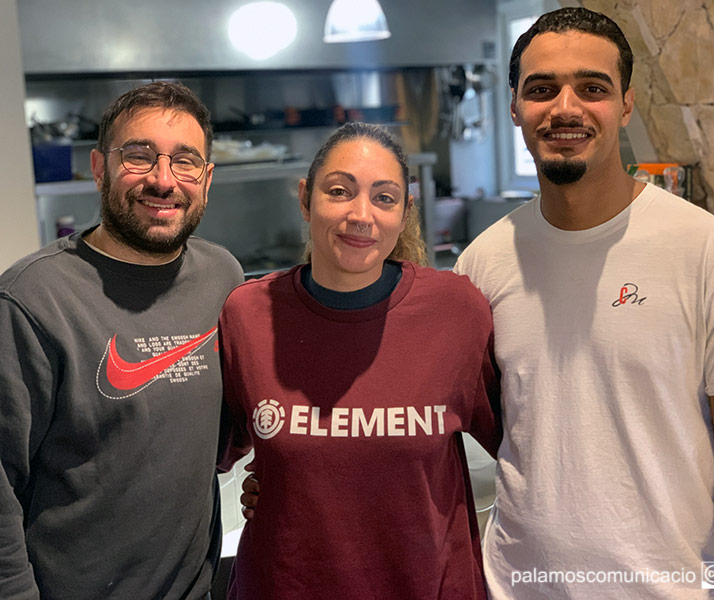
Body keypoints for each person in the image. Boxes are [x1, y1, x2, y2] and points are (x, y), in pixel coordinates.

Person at [453, 7, 714, 599]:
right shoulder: (481, 265)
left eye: (592, 87)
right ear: (514, 107)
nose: (565, 108)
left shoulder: (713, 258)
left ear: (626, 105)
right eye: (541, 89)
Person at [217, 122, 501, 599]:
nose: (361, 215)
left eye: (385, 198)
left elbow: (525, 454)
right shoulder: (248, 314)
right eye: (339, 191)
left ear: (406, 212)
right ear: (306, 198)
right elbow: (206, 457)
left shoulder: (456, 312)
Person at [0, 81, 244, 600]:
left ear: (207, 178)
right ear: (98, 168)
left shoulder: (223, 277)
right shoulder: (31, 300)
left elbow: (216, 433)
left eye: (185, 161)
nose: (163, 180)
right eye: (139, 156)